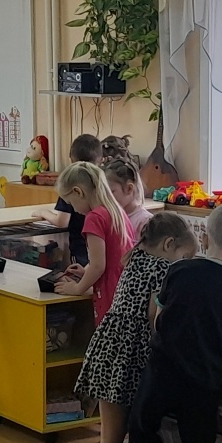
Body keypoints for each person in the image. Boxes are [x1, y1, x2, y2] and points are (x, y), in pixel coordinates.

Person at [127, 204, 222, 443]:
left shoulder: (178, 270)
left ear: (204, 238)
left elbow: (158, 319)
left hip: (161, 370)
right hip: (203, 378)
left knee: (142, 426)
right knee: (199, 439)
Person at [76, 212, 197, 443]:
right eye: (184, 257)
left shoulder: (135, 258)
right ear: (169, 244)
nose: (183, 263)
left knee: (110, 437)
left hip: (108, 347)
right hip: (133, 351)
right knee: (135, 428)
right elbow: (153, 314)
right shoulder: (164, 268)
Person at [52, 162, 133, 325]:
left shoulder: (94, 217)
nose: (74, 209)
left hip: (110, 292)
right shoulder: (116, 211)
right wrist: (85, 272)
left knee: (106, 336)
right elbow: (109, 256)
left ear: (78, 192)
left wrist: (77, 288)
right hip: (125, 287)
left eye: (71, 203)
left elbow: (98, 266)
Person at [33, 134, 103, 266]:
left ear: (71, 158)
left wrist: (43, 213)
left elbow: (62, 221)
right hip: (100, 253)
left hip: (81, 249)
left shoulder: (70, 183)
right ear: (101, 159)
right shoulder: (103, 183)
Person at [104, 158, 152, 236]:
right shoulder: (111, 216)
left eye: (111, 192)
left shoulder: (145, 221)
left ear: (129, 189)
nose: (106, 197)